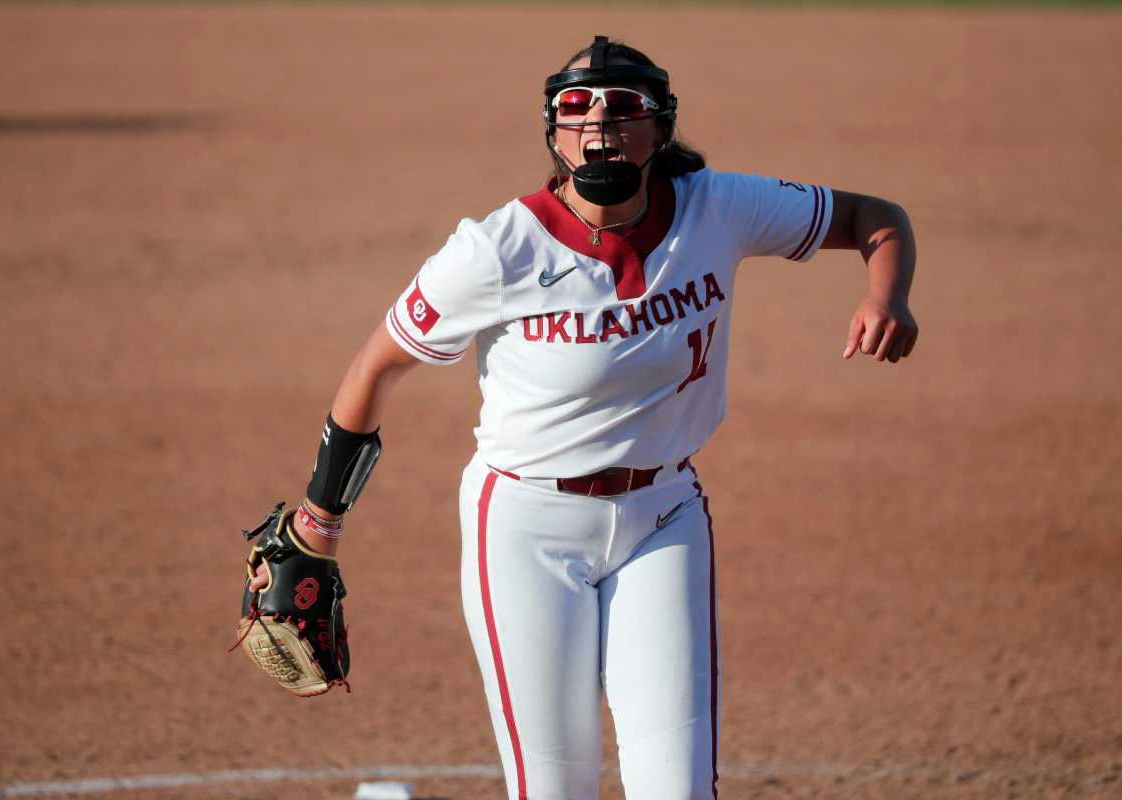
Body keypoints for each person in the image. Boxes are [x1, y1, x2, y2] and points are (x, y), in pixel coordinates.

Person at [248, 35, 917, 799]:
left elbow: (876, 216)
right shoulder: (496, 251)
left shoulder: (719, 208)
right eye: (576, 106)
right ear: (554, 132)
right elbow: (376, 367)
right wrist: (317, 525)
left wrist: (885, 294)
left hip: (663, 517)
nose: (599, 120)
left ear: (660, 128)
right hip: (526, 529)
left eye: (624, 106)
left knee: (679, 789)